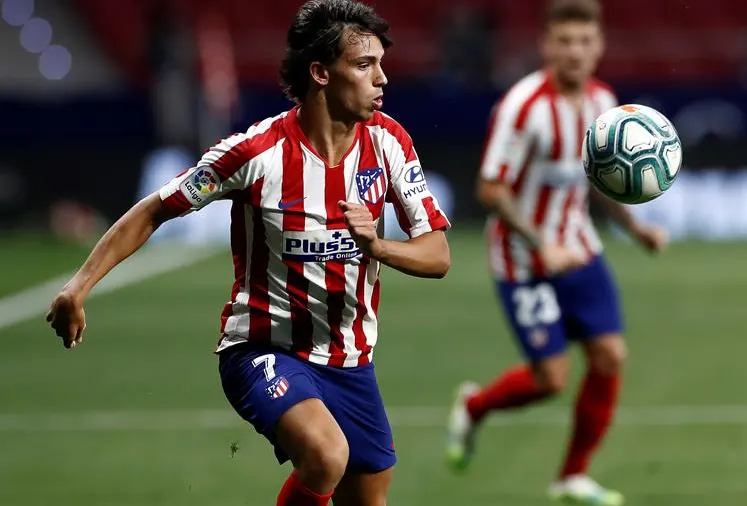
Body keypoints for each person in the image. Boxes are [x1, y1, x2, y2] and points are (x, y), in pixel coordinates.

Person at [45, 1, 451, 505]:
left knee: (367, 496)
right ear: (321, 72)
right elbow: (155, 209)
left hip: (351, 360)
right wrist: (78, 286)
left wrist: (377, 245)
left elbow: (437, 255)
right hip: (263, 349)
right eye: (365, 64)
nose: (382, 79)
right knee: (326, 455)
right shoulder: (255, 153)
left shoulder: (391, 143)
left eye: (381, 63)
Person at [445, 1, 666, 504]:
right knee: (551, 380)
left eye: (585, 41)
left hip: (581, 249)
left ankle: (571, 476)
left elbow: (602, 181)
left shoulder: (604, 104)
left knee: (609, 356)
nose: (575, 52)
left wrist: (637, 228)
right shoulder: (523, 107)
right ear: (546, 45)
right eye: (565, 41)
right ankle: (475, 406)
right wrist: (541, 243)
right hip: (524, 261)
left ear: (599, 46)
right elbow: (489, 189)